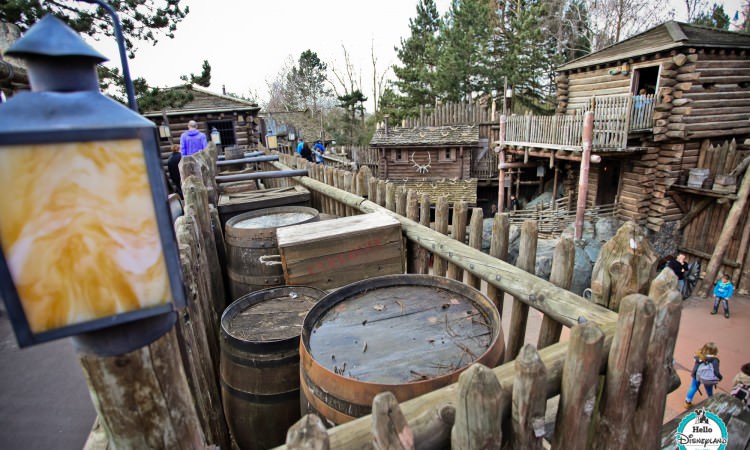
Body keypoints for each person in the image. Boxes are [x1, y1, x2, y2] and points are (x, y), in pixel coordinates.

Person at [685, 342, 722, 409]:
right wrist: (719, 377)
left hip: (697, 376)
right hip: (708, 378)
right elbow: (716, 371)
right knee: (709, 390)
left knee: (693, 387)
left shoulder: (698, 357)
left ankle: (688, 402)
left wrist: (693, 374)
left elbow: (695, 367)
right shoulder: (715, 360)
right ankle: (711, 402)